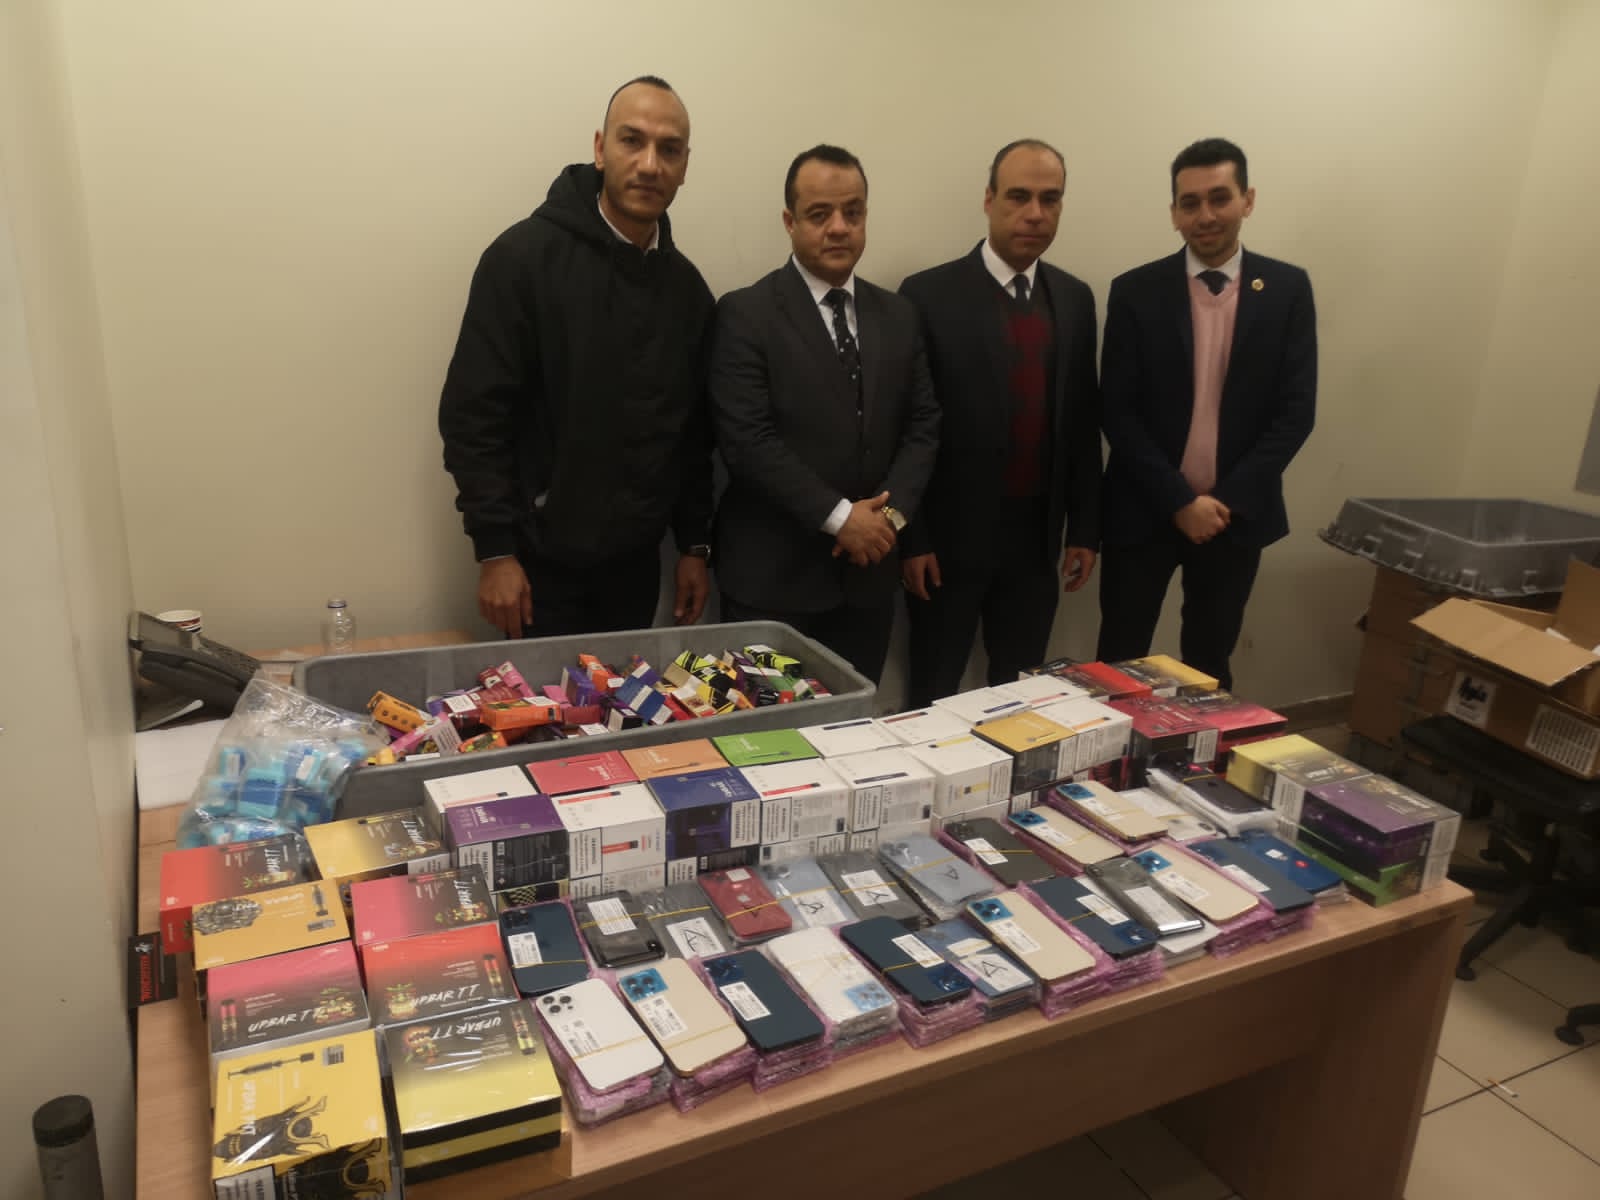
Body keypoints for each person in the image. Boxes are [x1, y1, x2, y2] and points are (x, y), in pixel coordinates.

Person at [438, 76, 715, 639]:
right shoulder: (521, 261)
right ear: (599, 148)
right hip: (536, 571)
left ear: (685, 165)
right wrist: (495, 550)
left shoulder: (688, 292)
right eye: (632, 140)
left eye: (669, 149)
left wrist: (693, 544)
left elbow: (692, 436)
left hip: (636, 572)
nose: (649, 164)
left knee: (628, 699)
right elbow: (474, 417)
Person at [709, 145, 940, 684]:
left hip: (867, 583)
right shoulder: (744, 314)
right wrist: (841, 519)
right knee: (772, 730)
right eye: (819, 214)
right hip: (773, 585)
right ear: (789, 222)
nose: (839, 227)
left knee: (854, 725)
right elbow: (747, 441)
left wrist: (886, 523)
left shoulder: (899, 315)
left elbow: (923, 426)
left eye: (852, 212)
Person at [1096, 137, 1317, 689]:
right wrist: (1179, 501)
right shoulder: (1134, 291)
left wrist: (1222, 503)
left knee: (1208, 667)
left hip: (1234, 517)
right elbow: (1117, 411)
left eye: (1219, 198)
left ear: (1248, 200)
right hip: (1144, 509)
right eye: (1190, 203)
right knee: (1117, 662)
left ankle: (1198, 749)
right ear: (1174, 212)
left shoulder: (1287, 290)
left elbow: (1295, 413)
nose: (1206, 215)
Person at [897, 139, 1101, 706]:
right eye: (1018, 196)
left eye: (1049, 199)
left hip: (1035, 545)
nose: (1034, 213)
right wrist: (912, 537)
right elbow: (906, 429)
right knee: (932, 697)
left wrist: (1085, 529)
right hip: (947, 547)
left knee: (1019, 702)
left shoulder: (1075, 299)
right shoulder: (926, 295)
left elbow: (1082, 421)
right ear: (989, 200)